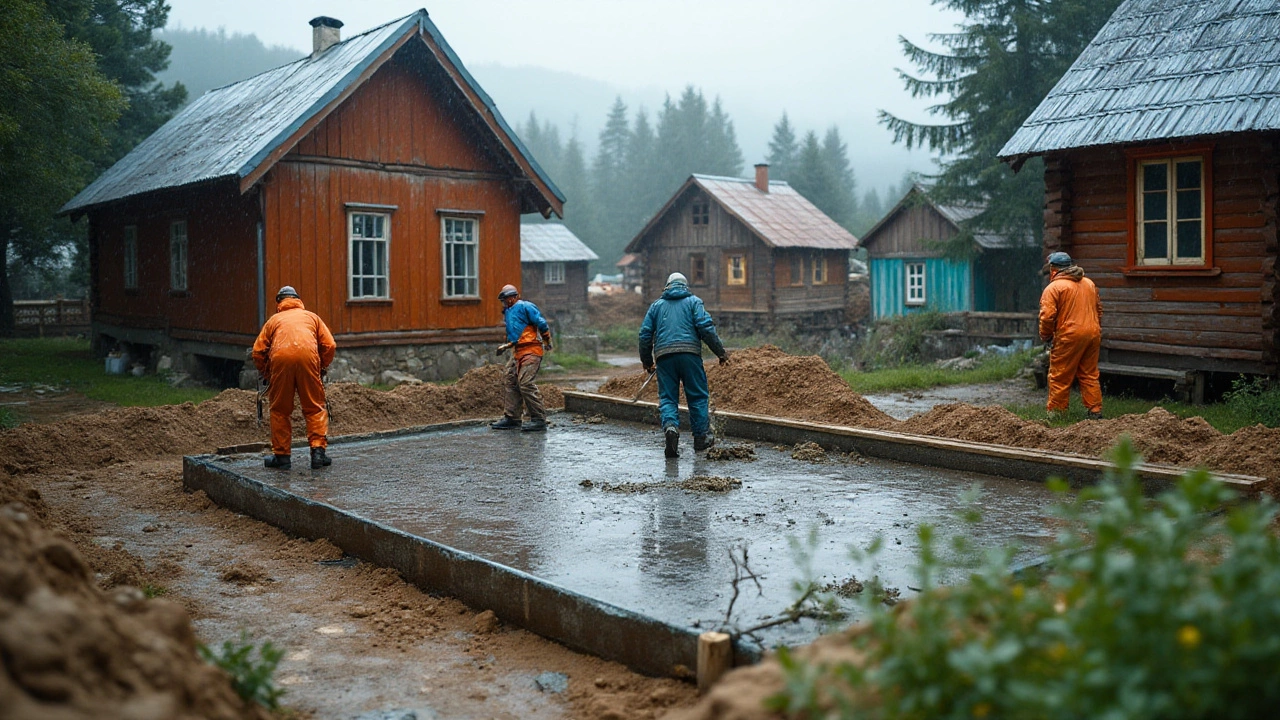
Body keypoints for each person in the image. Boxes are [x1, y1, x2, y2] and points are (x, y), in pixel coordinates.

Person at [638, 272, 729, 458]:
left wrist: (647, 361)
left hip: (664, 357)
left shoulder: (656, 306)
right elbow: (706, 327)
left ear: (667, 286)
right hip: (690, 355)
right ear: (685, 287)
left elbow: (645, 334)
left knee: (668, 398)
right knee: (697, 396)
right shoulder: (694, 302)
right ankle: (701, 438)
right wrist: (720, 352)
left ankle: (671, 428)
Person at [252, 286, 337, 470]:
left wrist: (268, 373)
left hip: (280, 360)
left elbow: (258, 352)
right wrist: (321, 366)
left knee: (280, 410)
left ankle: (282, 458)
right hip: (309, 359)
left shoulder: (274, 321)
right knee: (314, 407)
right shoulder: (312, 317)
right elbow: (329, 345)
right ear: (298, 300)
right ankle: (318, 454)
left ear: (279, 303)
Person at [1039, 251, 1103, 419]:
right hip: (1093, 333)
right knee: (1089, 373)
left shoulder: (1053, 288)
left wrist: (1046, 336)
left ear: (1053, 269)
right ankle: (1095, 411)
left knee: (1060, 375)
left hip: (1069, 336)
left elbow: (1047, 316)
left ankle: (1057, 414)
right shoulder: (1089, 283)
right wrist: (1094, 327)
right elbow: (1099, 310)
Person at [490, 284, 553, 432]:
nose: (506, 302)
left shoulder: (526, 306)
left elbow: (541, 323)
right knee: (510, 379)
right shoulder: (508, 312)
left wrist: (547, 340)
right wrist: (506, 346)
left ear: (514, 296)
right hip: (517, 351)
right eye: (504, 300)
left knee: (525, 383)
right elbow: (515, 335)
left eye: (507, 299)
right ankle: (512, 417)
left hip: (531, 349)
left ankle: (538, 419)